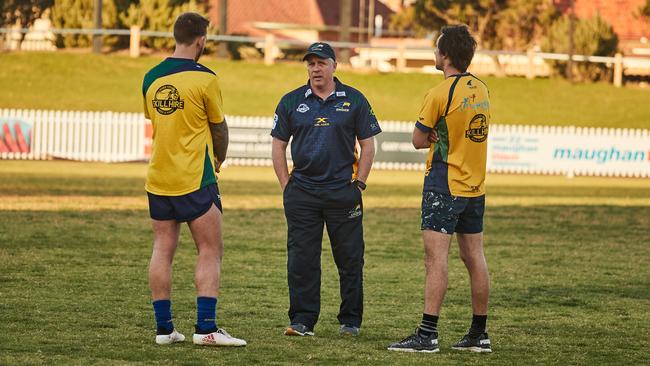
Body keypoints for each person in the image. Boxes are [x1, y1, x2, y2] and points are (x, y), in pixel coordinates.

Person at [141, 12, 245, 347]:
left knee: (162, 249)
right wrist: (220, 159)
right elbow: (219, 127)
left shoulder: (151, 78)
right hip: (195, 178)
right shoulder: (205, 79)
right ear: (201, 40)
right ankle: (206, 329)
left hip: (158, 178)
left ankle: (164, 329)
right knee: (210, 249)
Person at [387, 24, 492, 353]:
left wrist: (432, 134)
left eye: (436, 49)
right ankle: (479, 334)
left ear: (445, 56)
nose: (434, 54)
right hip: (475, 186)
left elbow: (418, 139)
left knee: (436, 260)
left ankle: (428, 334)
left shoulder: (439, 93)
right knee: (474, 257)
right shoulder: (483, 89)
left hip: (444, 185)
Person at [271, 42, 382, 337]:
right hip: (302, 194)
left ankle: (350, 321)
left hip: (342, 192)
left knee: (349, 258)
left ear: (334, 65)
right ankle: (302, 321)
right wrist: (287, 187)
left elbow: (369, 143)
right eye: (310, 64)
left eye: (321, 63)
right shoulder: (291, 101)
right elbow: (278, 146)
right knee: (301, 260)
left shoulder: (354, 100)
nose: (315, 69)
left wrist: (360, 182)